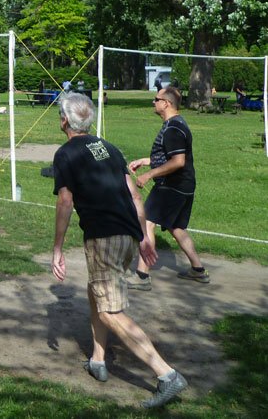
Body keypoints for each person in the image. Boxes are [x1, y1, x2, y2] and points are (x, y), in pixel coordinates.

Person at [52, 93, 188, 409]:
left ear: (65, 121)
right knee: (96, 291)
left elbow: (65, 201)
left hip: (104, 237)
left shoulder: (65, 154)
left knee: (110, 312)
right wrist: (142, 237)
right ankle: (98, 360)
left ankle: (166, 374)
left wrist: (57, 248)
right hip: (126, 235)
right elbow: (135, 195)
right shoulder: (109, 148)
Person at [127, 87, 207, 290]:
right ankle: (198, 270)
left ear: (166, 103)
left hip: (172, 186)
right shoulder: (176, 124)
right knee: (176, 227)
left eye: (156, 99)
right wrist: (146, 161)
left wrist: (149, 174)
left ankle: (142, 276)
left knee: (147, 223)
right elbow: (170, 155)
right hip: (184, 185)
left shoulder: (173, 129)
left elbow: (178, 161)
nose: (153, 102)